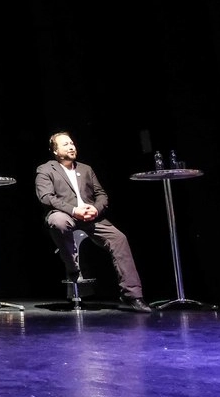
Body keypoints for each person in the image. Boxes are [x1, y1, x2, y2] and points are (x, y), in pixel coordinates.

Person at [35, 132, 151, 313]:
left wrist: (96, 209)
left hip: (90, 217)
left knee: (119, 238)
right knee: (58, 222)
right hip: (64, 214)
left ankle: (132, 295)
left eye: (72, 143)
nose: (71, 147)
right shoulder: (46, 169)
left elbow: (101, 194)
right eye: (65, 144)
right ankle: (72, 265)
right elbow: (46, 197)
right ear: (56, 151)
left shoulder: (86, 169)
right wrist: (74, 210)